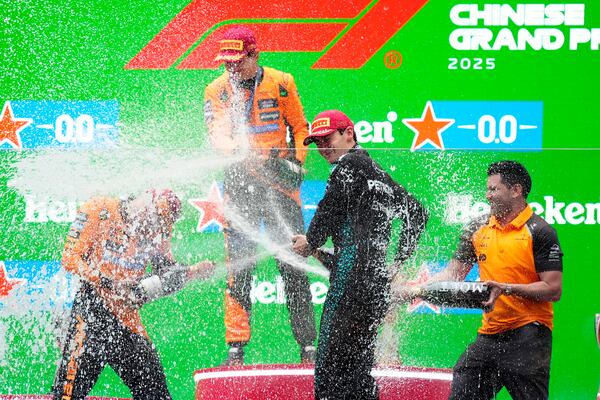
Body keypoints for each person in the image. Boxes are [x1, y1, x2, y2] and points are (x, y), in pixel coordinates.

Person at [291, 110, 428, 400]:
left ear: (348, 134)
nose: (323, 148)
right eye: (317, 143)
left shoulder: (348, 165)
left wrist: (310, 242)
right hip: (374, 288)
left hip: (349, 286)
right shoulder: (376, 171)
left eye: (328, 139)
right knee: (356, 370)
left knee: (328, 371)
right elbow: (417, 214)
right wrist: (397, 262)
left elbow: (327, 214)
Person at [203, 25, 316, 365]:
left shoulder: (282, 82)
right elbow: (217, 134)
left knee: (293, 264)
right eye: (226, 62)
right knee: (239, 268)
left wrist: (296, 163)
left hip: (281, 186)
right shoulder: (216, 90)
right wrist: (237, 150)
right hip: (240, 187)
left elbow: (299, 127)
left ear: (255, 55)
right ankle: (235, 349)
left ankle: (308, 347)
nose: (230, 68)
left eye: (237, 61)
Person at [405, 160, 563, 400]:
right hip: (489, 335)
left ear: (516, 190)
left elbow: (553, 289)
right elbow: (452, 275)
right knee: (463, 388)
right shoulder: (477, 227)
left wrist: (506, 289)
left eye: (493, 189)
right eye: (487, 189)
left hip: (529, 334)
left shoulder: (540, 230)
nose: (487, 195)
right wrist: (413, 289)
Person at [52, 189, 215, 400]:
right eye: (154, 221)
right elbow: (70, 259)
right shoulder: (99, 209)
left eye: (160, 225)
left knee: (156, 394)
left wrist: (192, 272)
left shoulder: (158, 230)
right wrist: (109, 283)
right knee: (66, 396)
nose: (153, 229)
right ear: (146, 201)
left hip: (127, 320)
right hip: (91, 313)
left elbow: (166, 271)